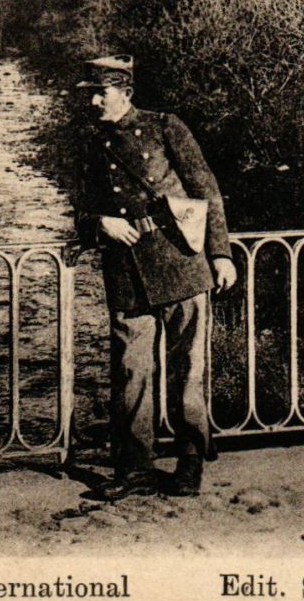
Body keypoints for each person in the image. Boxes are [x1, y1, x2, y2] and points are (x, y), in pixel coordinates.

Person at [72, 54, 238, 498]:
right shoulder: (89, 142)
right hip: (126, 270)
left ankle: (190, 460)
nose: (93, 102)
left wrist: (221, 254)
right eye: (89, 94)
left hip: (179, 259)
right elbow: (80, 210)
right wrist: (99, 224)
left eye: (100, 93)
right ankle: (135, 468)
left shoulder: (166, 127)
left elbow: (206, 190)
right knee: (132, 372)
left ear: (125, 92)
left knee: (188, 370)